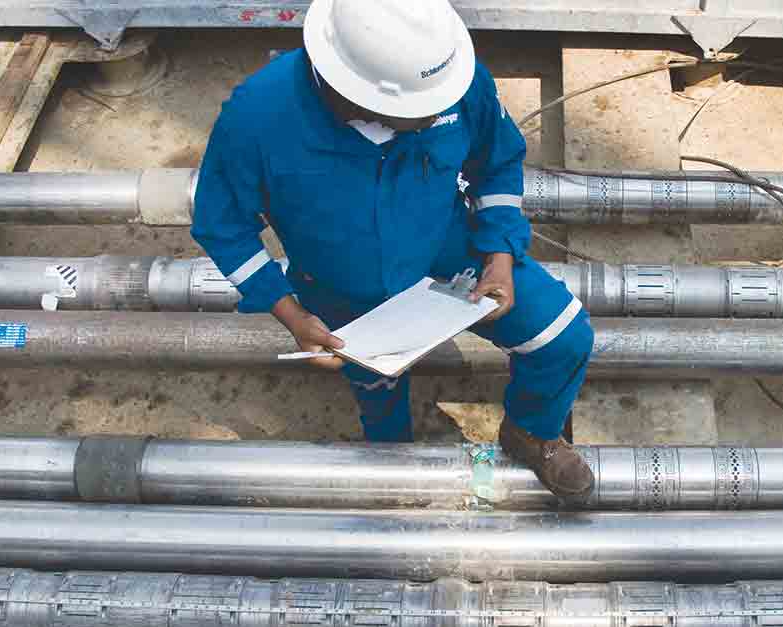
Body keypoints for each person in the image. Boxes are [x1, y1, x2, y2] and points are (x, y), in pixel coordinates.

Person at [191, 0, 594, 500]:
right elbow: (223, 224)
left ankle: (531, 432)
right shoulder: (258, 116)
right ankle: (393, 456)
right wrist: (290, 313)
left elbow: (499, 163)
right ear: (348, 94)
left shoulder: (452, 83)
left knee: (564, 338)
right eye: (418, 114)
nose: (435, 114)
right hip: (340, 285)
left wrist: (499, 257)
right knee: (377, 389)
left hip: (447, 252)